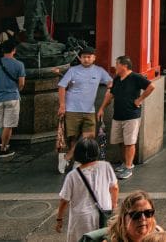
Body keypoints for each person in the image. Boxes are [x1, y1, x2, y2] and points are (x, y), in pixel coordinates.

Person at [57, 46, 113, 174]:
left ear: (94, 58)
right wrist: (62, 105)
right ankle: (76, 162)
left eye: (89, 57)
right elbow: (61, 86)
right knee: (73, 138)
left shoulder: (99, 71)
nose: (86, 59)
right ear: (80, 58)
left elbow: (110, 82)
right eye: (84, 57)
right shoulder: (73, 70)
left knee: (89, 136)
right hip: (72, 109)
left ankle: (67, 157)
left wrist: (110, 89)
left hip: (89, 110)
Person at [99, 55, 154, 178]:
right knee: (120, 141)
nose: (115, 67)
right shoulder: (118, 79)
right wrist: (102, 108)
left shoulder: (135, 77)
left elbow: (151, 87)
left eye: (117, 64)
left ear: (124, 65)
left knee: (130, 142)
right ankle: (124, 163)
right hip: (118, 114)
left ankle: (129, 166)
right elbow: (111, 94)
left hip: (131, 115)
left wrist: (139, 100)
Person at [54, 137, 118, 239]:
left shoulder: (73, 175)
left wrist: (59, 219)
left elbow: (64, 200)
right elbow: (114, 188)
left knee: (83, 239)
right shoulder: (106, 166)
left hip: (82, 217)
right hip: (104, 212)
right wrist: (114, 205)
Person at [0, 38, 25, 159]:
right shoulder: (19, 64)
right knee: (8, 125)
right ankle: (3, 149)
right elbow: (22, 83)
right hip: (12, 97)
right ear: (14, 50)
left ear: (3, 50)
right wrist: (16, 90)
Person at [76, 189, 162, 242]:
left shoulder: (159, 236)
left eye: (148, 213)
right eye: (136, 215)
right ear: (123, 219)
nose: (143, 218)